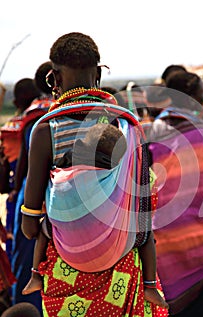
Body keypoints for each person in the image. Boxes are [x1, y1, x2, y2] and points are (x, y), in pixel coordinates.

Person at [21, 32, 168, 317]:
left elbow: (28, 227)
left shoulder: (45, 130)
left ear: (55, 79)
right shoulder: (126, 124)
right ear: (98, 74)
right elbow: (143, 211)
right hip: (123, 272)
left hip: (67, 274)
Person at [22, 122, 168, 309]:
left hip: (69, 253)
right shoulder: (121, 180)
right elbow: (147, 204)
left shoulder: (65, 171)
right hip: (117, 255)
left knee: (46, 228)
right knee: (145, 234)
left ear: (82, 147)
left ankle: (35, 275)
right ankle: (149, 286)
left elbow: (41, 212)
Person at [147, 70, 203, 316]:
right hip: (201, 240)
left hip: (162, 240)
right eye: (201, 96)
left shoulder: (153, 130)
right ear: (193, 99)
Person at [9, 62, 54, 313]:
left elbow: (25, 166)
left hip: (32, 195)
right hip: (61, 193)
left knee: (26, 259)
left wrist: (18, 194)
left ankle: (25, 310)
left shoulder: (32, 118)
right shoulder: (64, 111)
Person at [0, 78, 41, 262]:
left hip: (20, 191)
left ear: (15, 102)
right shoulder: (44, 119)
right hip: (38, 192)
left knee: (15, 242)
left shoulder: (10, 129)